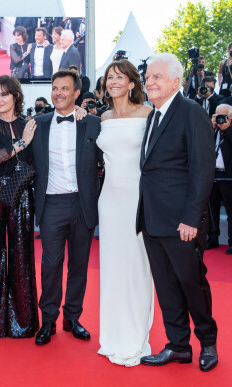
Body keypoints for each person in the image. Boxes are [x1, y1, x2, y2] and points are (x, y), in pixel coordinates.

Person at [137, 53, 218, 372]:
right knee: (166, 285)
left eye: (157, 77)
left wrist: (191, 218)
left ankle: (208, 342)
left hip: (182, 222)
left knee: (191, 283)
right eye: (148, 77)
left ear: (176, 81)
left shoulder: (191, 113)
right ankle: (178, 345)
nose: (150, 82)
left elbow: (202, 170)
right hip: (152, 219)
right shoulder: (152, 116)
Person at [30, 69, 99, 346]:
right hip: (52, 204)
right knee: (50, 264)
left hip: (83, 204)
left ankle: (73, 317)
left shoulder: (92, 124)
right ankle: (48, 320)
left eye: (65, 88)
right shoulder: (37, 123)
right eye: (55, 88)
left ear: (76, 93)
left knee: (79, 265)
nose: (58, 93)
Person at [94, 60, 154, 366]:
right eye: (109, 77)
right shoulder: (102, 116)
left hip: (137, 199)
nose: (113, 81)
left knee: (136, 267)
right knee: (113, 268)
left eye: (119, 77)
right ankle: (114, 334)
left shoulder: (147, 114)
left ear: (132, 83)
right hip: (110, 201)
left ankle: (135, 335)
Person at [0, 75, 38, 338]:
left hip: (21, 195)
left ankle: (22, 323)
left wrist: (81, 109)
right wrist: (22, 142)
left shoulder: (30, 124)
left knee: (22, 255)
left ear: (16, 96)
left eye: (4, 94)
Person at [205, 104, 232, 254]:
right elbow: (202, 146)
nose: (220, 119)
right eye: (218, 116)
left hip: (229, 176)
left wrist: (227, 129)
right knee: (212, 210)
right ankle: (212, 239)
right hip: (213, 175)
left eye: (223, 116)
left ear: (231, 117)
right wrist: (210, 127)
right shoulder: (212, 128)